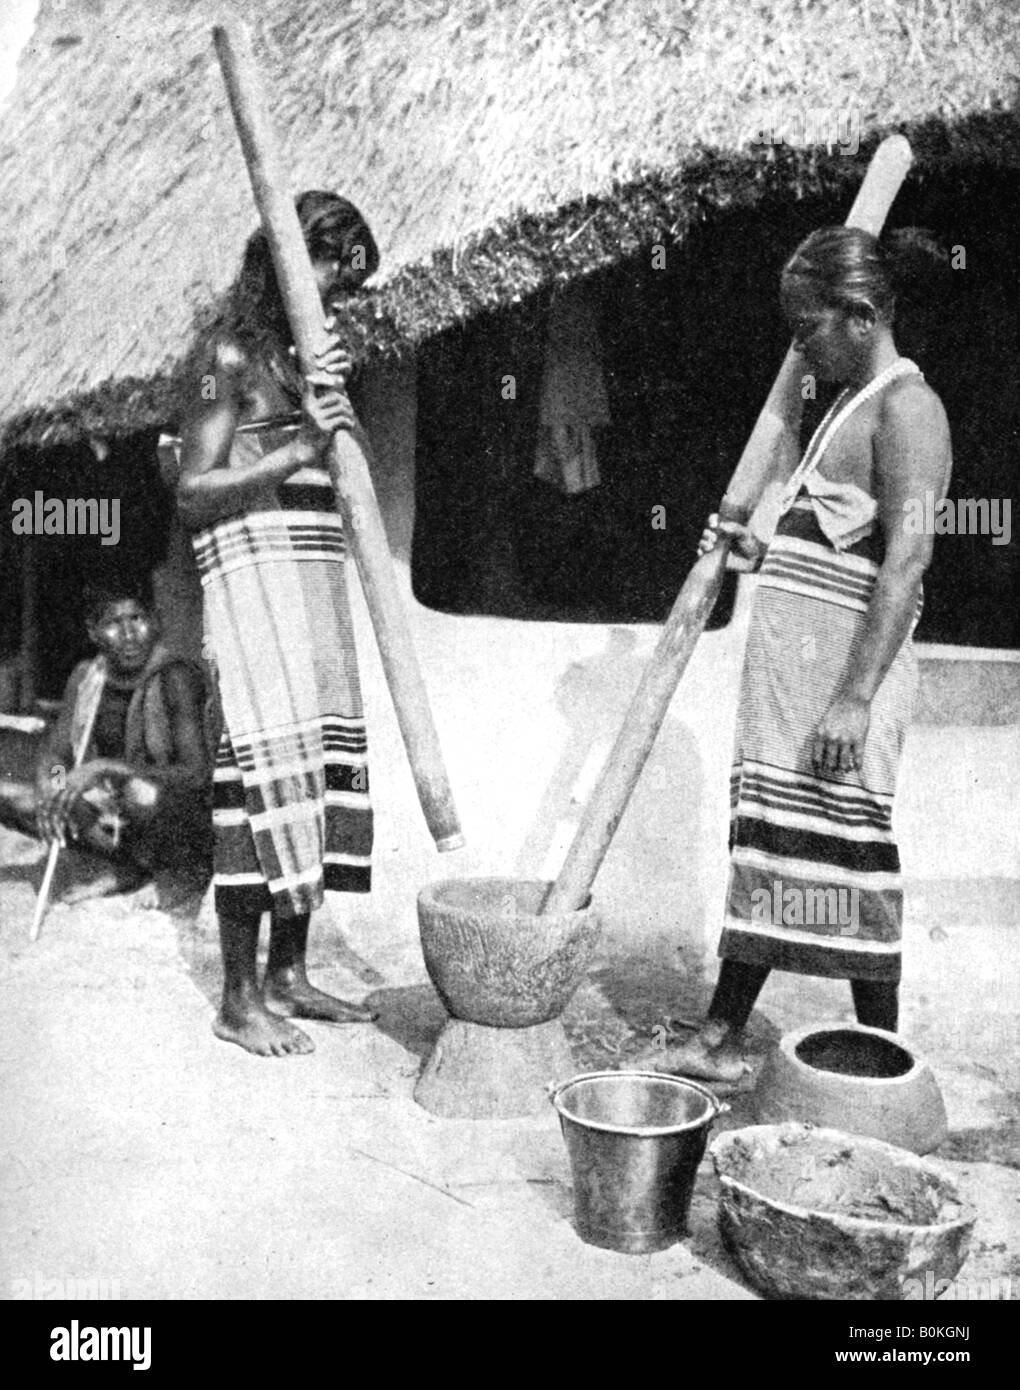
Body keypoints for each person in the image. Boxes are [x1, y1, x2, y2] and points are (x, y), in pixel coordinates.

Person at [650, 226, 952, 1084]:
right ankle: (721, 1034)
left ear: (858, 316)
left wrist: (854, 699)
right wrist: (750, 546)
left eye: (806, 327)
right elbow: (830, 542)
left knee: (846, 854)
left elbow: (906, 561)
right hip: (794, 684)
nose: (799, 347)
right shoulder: (842, 408)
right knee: (780, 848)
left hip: (842, 685)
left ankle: (881, 1060)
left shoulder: (908, 408)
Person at [174, 190, 379, 1057]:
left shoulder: (306, 360)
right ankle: (238, 998)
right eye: (337, 275)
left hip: (311, 577)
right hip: (256, 586)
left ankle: (289, 975)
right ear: (294, 262)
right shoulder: (227, 357)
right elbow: (189, 490)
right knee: (259, 781)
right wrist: (298, 450)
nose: (342, 299)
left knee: (315, 768)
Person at [0, 582, 212, 904]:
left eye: (137, 619)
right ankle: (125, 868)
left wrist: (109, 768)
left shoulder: (175, 677)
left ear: (155, 621)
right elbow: (58, 753)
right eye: (114, 623)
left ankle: (173, 875)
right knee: (13, 798)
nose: (129, 634)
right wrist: (54, 786)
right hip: (117, 812)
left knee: (140, 791)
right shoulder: (87, 676)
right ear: (94, 632)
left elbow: (197, 773)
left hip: (171, 815)